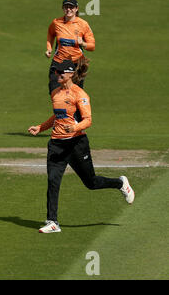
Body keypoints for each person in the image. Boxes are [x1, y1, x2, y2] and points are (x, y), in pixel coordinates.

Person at [28, 59, 135, 233]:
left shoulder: (80, 95)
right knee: (52, 181)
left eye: (61, 72)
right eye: (56, 72)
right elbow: (58, 116)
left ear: (70, 74)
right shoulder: (55, 93)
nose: (57, 75)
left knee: (91, 183)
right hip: (56, 144)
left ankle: (120, 183)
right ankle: (52, 222)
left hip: (76, 144)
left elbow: (88, 120)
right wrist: (41, 127)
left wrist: (75, 127)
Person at [45, 0, 95, 94]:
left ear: (76, 9)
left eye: (71, 7)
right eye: (66, 7)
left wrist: (83, 43)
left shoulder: (83, 24)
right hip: (58, 62)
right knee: (54, 92)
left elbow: (92, 46)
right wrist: (49, 48)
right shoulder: (56, 22)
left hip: (76, 64)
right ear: (62, 8)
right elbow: (50, 33)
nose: (68, 9)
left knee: (75, 96)